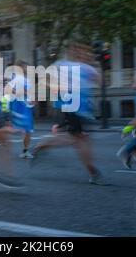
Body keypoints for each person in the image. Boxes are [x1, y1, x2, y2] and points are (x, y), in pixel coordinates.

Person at [29, 53, 103, 185]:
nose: (84, 55)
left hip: (83, 108)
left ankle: (40, 146)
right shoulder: (61, 64)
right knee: (79, 139)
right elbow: (45, 80)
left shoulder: (86, 67)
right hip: (71, 107)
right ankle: (92, 172)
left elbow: (98, 80)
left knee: (78, 139)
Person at [8, 60, 36, 159]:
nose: (27, 69)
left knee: (28, 130)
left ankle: (25, 151)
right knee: (20, 128)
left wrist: (32, 99)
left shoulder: (26, 79)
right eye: (25, 67)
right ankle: (1, 143)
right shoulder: (16, 78)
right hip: (19, 106)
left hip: (26, 107)